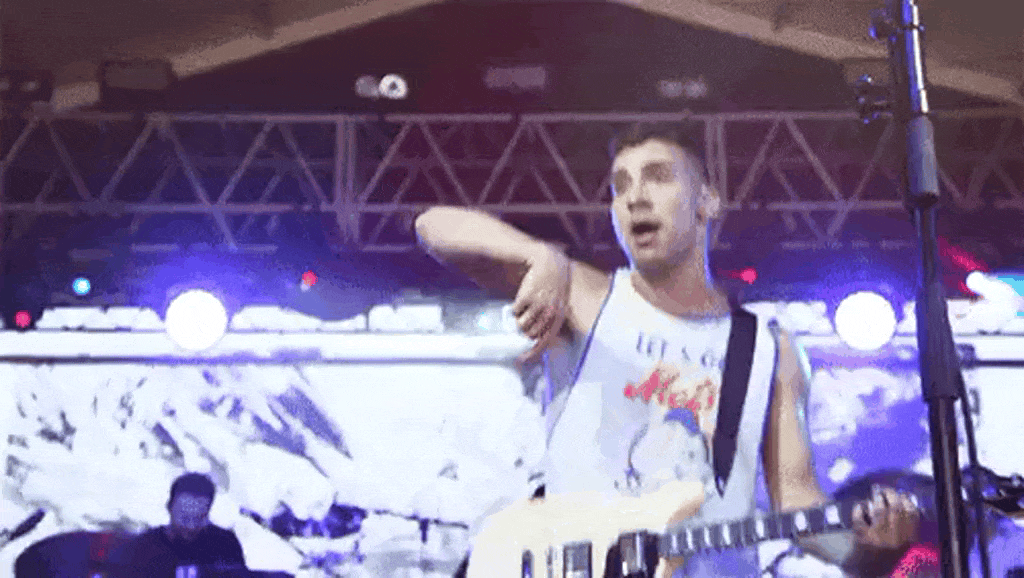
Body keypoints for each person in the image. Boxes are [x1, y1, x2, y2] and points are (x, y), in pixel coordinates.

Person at [415, 123, 921, 577]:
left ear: (707, 202)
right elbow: (432, 225)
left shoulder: (769, 347)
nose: (635, 197)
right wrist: (538, 254)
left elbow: (796, 501)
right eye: (620, 185)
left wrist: (867, 549)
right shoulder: (587, 298)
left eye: (657, 177)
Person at [113, 472, 246, 577]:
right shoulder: (143, 548)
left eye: (199, 518)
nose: (191, 526)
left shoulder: (224, 544)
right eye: (185, 518)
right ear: (169, 508)